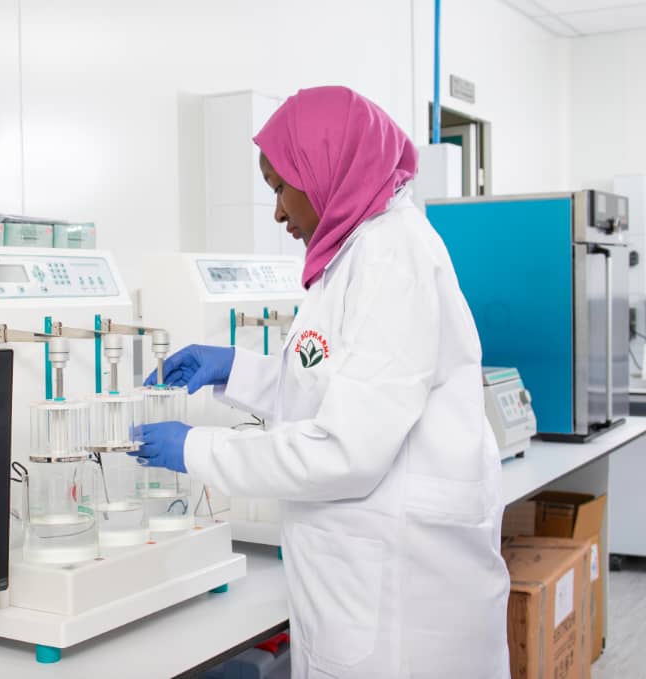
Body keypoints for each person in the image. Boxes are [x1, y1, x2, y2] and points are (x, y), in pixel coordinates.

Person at [132, 86, 510, 679]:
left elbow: (345, 450)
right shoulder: (359, 249)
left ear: (327, 167)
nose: (279, 212)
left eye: (281, 187)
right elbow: (334, 381)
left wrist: (196, 448)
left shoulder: (391, 258)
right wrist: (240, 369)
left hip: (401, 596)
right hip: (366, 573)